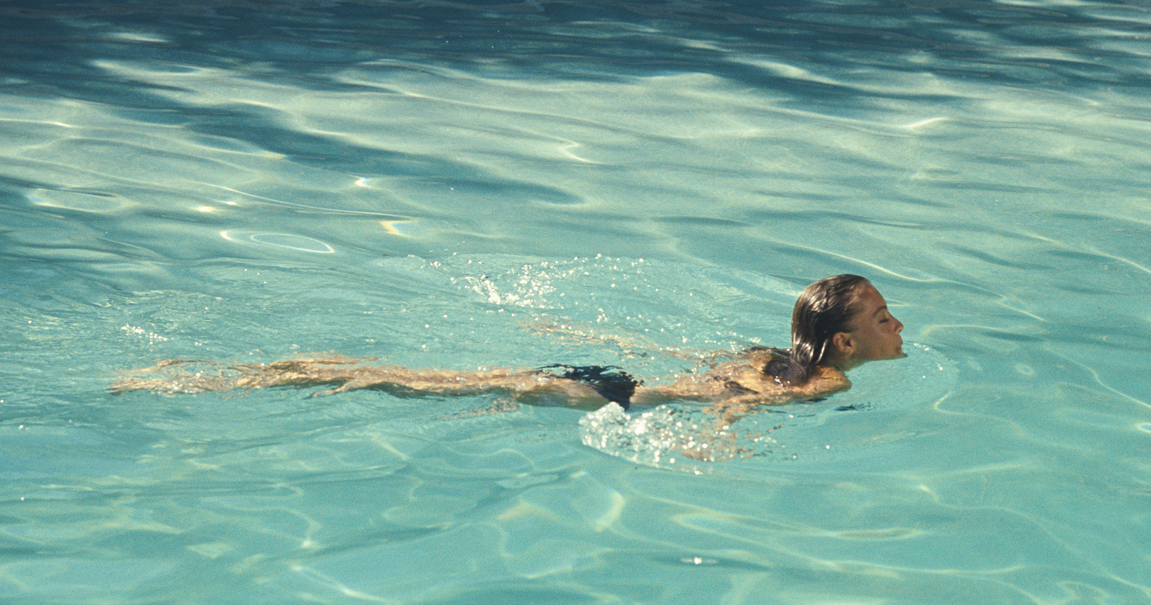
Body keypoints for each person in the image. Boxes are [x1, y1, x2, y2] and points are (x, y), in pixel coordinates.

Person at [109, 274, 904, 411]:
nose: (896, 327)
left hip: (607, 374)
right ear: (838, 345)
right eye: (881, 320)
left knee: (421, 375)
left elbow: (719, 374)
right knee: (416, 386)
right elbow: (736, 401)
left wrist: (581, 337)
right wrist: (719, 441)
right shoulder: (825, 385)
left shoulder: (768, 350)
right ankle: (223, 382)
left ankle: (253, 369)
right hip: (609, 394)